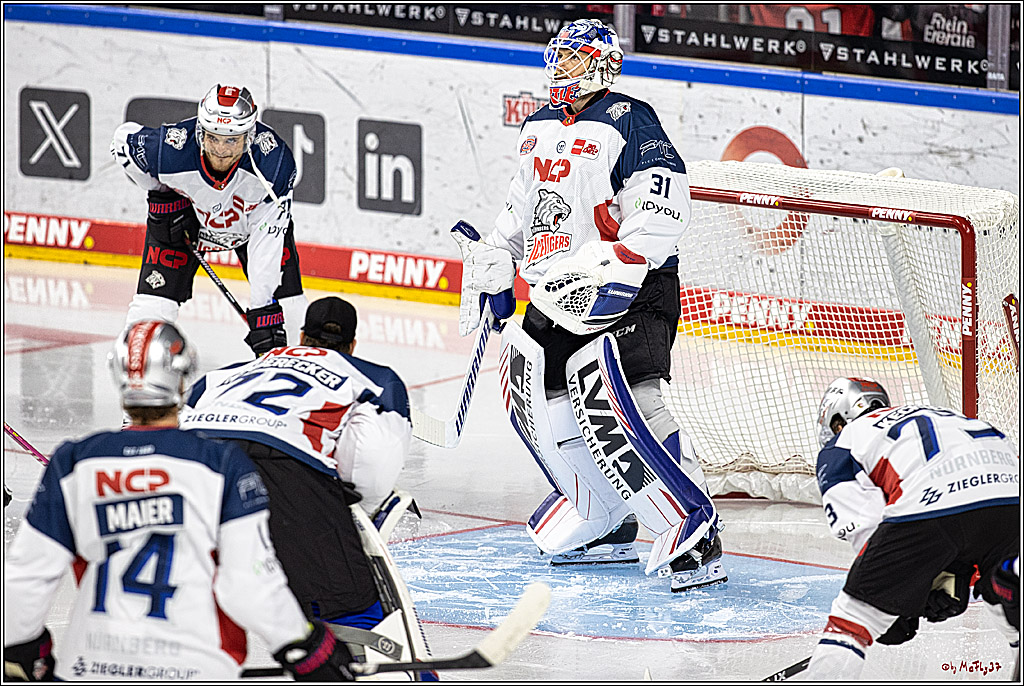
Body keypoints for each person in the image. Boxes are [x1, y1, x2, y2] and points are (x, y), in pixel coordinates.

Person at [456, 18, 725, 592]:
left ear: (604, 65)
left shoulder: (630, 118)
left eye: (574, 61)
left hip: (630, 289)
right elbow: (522, 207)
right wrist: (497, 258)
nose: (561, 70)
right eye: (557, 59)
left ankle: (696, 529)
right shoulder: (537, 125)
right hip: (554, 294)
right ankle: (603, 517)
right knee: (539, 405)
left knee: (631, 405)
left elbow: (663, 202)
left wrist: (621, 263)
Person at [3, 321, 352, 681]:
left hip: (90, 667)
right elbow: (248, 584)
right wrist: (307, 648)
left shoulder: (74, 462)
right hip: (197, 667)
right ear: (183, 375)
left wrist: (21, 649)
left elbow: (25, 578)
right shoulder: (221, 464)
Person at [179, 297, 417, 647]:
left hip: (195, 467)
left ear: (302, 337)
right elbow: (372, 464)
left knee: (188, 601)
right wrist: (346, 513)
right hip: (285, 472)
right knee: (349, 599)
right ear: (351, 345)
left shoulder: (229, 372)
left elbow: (177, 420)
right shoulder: (376, 378)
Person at [804, 377, 1020, 680]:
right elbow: (978, 513)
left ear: (838, 421)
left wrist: (899, 600)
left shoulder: (843, 444)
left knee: (853, 620)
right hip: (1012, 499)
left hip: (934, 500)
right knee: (1006, 604)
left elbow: (866, 530)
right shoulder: (939, 414)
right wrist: (961, 573)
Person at [110, 84, 307, 356]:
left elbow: (267, 241)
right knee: (151, 309)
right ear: (201, 132)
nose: (221, 151)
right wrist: (162, 197)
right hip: (186, 222)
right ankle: (137, 377)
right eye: (213, 138)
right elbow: (122, 142)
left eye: (231, 140)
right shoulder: (170, 148)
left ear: (249, 136)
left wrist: (263, 310)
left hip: (252, 227)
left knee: (288, 308)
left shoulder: (274, 165)